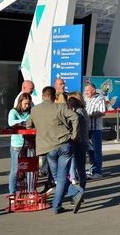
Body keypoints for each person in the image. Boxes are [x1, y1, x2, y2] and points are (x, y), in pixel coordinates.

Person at [26, 86, 84, 214]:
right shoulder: (60, 107)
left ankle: (59, 204)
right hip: (64, 144)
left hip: (48, 148)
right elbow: (75, 117)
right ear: (54, 97)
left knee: (58, 177)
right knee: (61, 176)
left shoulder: (35, 110)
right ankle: (73, 194)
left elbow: (28, 125)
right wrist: (75, 135)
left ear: (42, 96)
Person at [8, 93, 32, 199]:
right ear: (20, 102)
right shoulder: (13, 112)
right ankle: (12, 193)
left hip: (30, 143)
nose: (27, 106)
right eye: (25, 103)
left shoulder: (31, 111)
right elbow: (11, 122)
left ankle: (31, 191)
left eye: (29, 103)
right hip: (17, 144)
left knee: (31, 168)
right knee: (16, 169)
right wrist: (23, 122)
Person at [67, 93, 90, 190]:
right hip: (82, 141)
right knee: (80, 169)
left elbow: (76, 124)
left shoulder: (78, 112)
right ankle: (81, 191)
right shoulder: (82, 110)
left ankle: (80, 191)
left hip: (79, 142)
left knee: (80, 169)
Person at [84, 83, 106, 179]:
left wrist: (89, 116)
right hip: (87, 129)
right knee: (90, 151)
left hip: (95, 129)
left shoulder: (100, 98)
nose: (86, 92)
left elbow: (102, 112)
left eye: (87, 90)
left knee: (96, 150)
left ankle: (98, 172)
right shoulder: (86, 98)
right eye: (85, 90)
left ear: (93, 90)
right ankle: (92, 169)